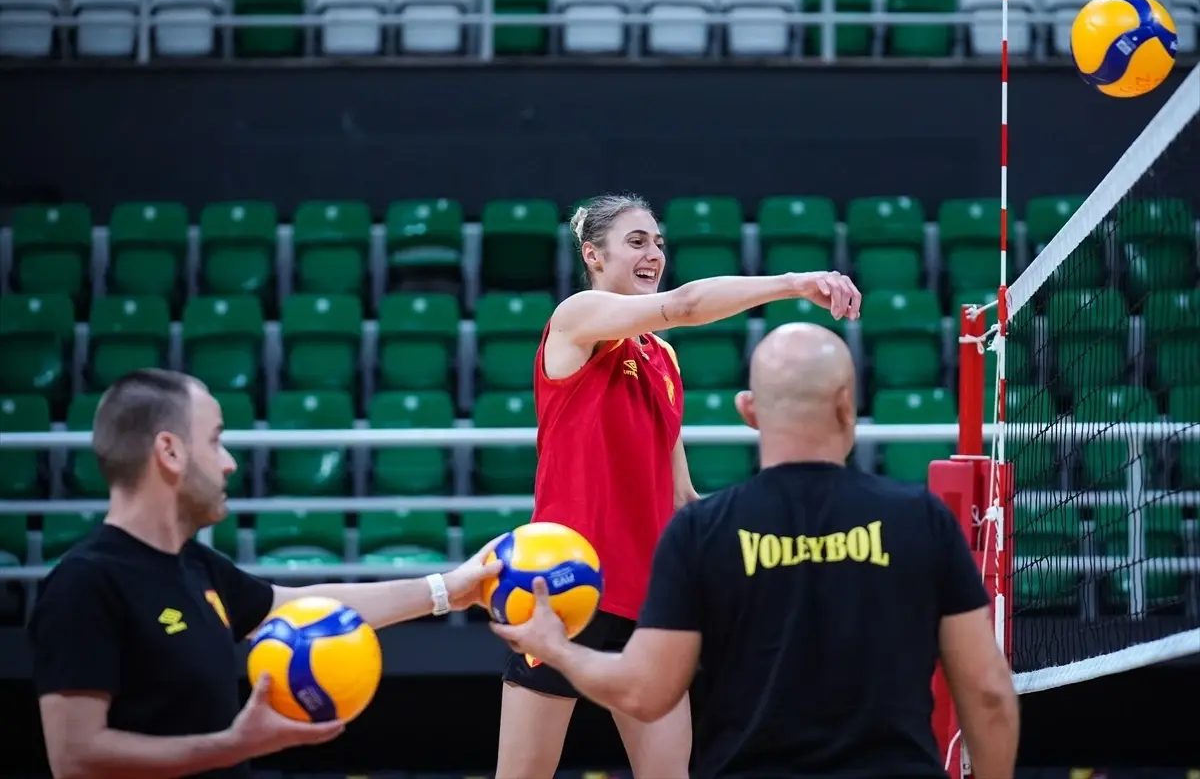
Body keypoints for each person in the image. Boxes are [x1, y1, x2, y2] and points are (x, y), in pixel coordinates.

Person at [492, 322, 1021, 779]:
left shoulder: (704, 536)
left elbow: (645, 691)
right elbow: (990, 693)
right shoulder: (923, 521)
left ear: (747, 410)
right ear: (847, 404)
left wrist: (557, 649)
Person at [495, 193, 863, 779]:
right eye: (636, 242)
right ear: (592, 254)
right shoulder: (576, 318)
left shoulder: (662, 357)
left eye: (659, 244)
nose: (653, 255)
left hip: (649, 600)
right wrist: (797, 283)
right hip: (562, 588)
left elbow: (683, 498)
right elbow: (687, 303)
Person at [27, 368, 503, 779]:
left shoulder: (196, 565)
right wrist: (233, 745)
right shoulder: (85, 584)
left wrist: (446, 590)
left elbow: (303, 609)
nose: (229, 462)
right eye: (214, 441)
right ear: (169, 452)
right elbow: (76, 759)